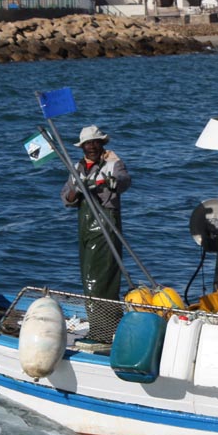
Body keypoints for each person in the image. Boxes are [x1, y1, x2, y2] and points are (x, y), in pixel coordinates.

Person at [60, 125, 131, 342]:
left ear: (102, 144)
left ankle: (104, 332)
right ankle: (102, 326)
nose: (91, 147)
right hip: (85, 225)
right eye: (87, 144)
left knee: (101, 278)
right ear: (82, 147)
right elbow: (66, 198)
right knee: (88, 275)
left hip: (106, 223)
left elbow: (124, 180)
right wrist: (77, 189)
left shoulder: (112, 163)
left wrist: (110, 182)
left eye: (95, 143)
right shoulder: (77, 168)